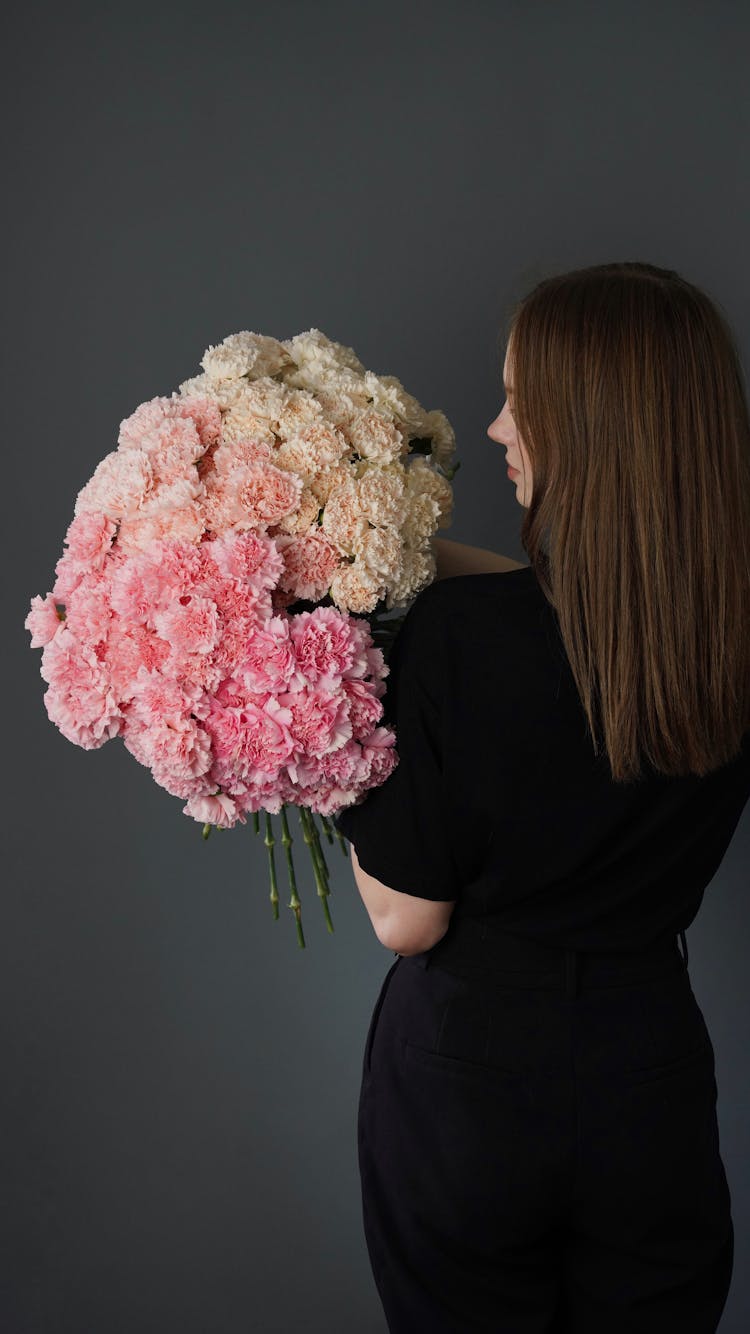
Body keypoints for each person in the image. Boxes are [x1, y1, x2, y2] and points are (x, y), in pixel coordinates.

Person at [333, 260, 750, 1334]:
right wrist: (366, 562)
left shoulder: (457, 648)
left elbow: (405, 918)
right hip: (649, 1072)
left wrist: (319, 733)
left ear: (595, 427)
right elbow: (557, 609)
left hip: (470, 1082)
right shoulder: (724, 639)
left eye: (524, 399)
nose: (498, 425)